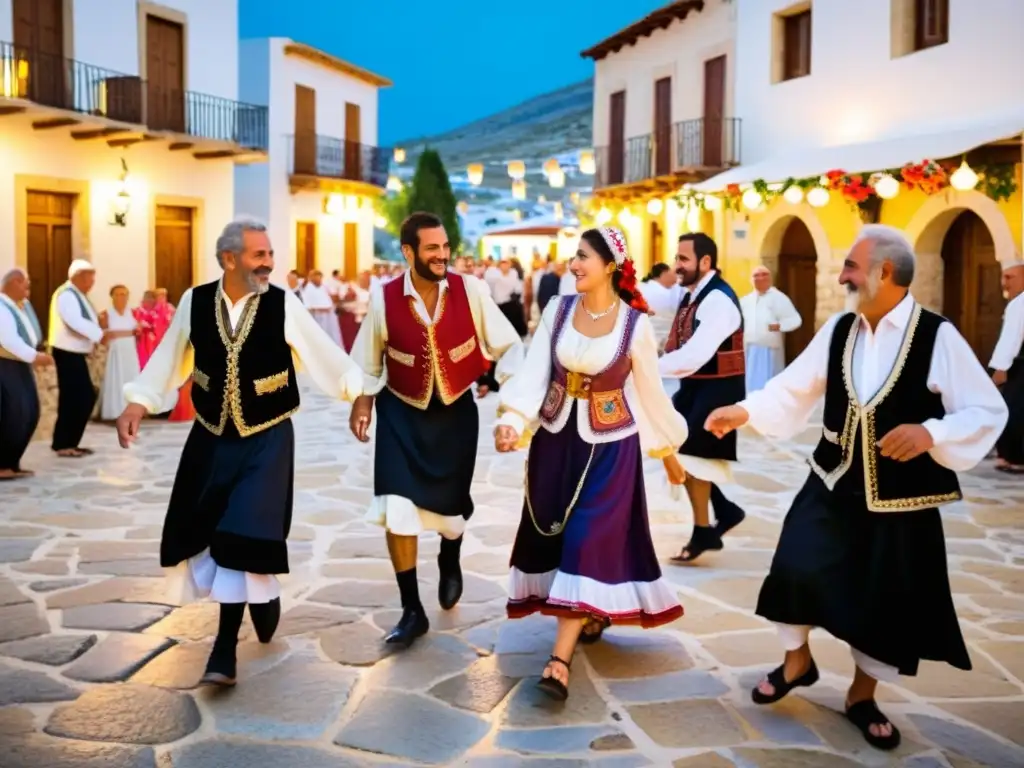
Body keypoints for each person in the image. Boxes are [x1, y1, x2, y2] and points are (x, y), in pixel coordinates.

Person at [704, 225, 1007, 752]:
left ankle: (862, 697)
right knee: (794, 567)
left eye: (849, 266)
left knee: (883, 602)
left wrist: (931, 431)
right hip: (830, 480)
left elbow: (987, 410)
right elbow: (796, 384)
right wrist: (745, 410)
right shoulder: (841, 328)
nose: (841, 275)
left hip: (898, 499)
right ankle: (797, 662)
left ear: (883, 273)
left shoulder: (938, 337)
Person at [115, 217, 363, 687]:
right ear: (229, 259)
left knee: (242, 533)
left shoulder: (283, 306)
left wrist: (359, 394)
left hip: (267, 438)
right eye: (258, 255)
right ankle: (263, 598)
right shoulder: (195, 301)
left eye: (270, 253)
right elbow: (168, 359)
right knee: (211, 530)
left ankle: (224, 647)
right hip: (211, 435)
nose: (268, 262)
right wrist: (138, 401)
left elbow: (324, 354)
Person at [494, 227, 688, 701]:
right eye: (573, 257)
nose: (574, 265)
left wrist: (668, 450)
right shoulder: (558, 311)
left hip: (611, 447)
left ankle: (559, 659)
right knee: (557, 532)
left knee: (585, 537)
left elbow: (651, 395)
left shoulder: (634, 325)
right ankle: (590, 610)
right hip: (556, 440)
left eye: (582, 257)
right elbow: (536, 369)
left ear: (609, 265)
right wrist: (513, 419)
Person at [348, 211, 523, 649]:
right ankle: (411, 609)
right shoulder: (384, 297)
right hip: (401, 414)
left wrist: (504, 392)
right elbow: (368, 358)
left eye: (445, 247)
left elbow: (509, 344)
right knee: (396, 507)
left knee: (450, 515)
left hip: (455, 413)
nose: (443, 255)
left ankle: (450, 555)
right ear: (408, 252)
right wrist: (363, 399)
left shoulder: (472, 290)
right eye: (432, 248)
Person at [658, 233, 747, 562]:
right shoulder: (692, 293)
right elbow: (653, 299)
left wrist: (643, 368)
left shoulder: (718, 301)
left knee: (692, 457)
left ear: (705, 262)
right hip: (698, 387)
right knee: (672, 445)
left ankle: (704, 530)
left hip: (719, 390)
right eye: (677, 258)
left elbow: (694, 355)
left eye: (683, 259)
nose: (676, 265)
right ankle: (723, 511)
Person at [48, 259, 105, 457]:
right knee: (77, 397)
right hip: (67, 352)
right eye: (90, 277)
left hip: (76, 353)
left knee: (81, 397)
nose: (93, 281)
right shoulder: (67, 295)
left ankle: (69, 442)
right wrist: (100, 335)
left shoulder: (78, 295)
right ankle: (64, 443)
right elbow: (74, 321)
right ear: (79, 276)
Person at [0, 268, 53, 480]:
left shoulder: (16, 306)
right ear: (14, 282)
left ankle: (12, 462)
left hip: (20, 364)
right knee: (15, 413)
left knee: (29, 411)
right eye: (26, 284)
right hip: (6, 364)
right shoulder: (2, 306)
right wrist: (34, 356)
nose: (28, 289)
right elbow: (8, 340)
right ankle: (3, 464)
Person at [740, 266, 802, 392]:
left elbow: (795, 320)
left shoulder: (779, 298)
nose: (760, 278)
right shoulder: (746, 301)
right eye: (756, 275)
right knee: (748, 386)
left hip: (769, 350)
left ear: (770, 278)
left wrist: (779, 326)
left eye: (764, 274)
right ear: (751, 280)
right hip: (748, 350)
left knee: (768, 387)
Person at [990, 258, 1024, 473]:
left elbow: (1011, 338)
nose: (1004, 282)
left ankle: (1013, 456)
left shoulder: (1019, 304)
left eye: (1010, 277)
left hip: (1019, 367)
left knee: (1013, 409)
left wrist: (1000, 368)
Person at [99, 285, 141, 421]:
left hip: (130, 351)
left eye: (123, 294)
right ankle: (115, 410)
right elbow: (105, 335)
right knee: (116, 379)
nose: (121, 298)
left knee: (131, 379)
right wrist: (128, 332)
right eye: (117, 294)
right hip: (115, 352)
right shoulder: (106, 314)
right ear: (112, 297)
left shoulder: (132, 313)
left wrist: (134, 331)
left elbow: (138, 331)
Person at [303, 270, 344, 347]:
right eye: (318, 277)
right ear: (312, 278)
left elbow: (330, 299)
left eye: (320, 278)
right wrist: (322, 309)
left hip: (328, 318)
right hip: (317, 319)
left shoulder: (323, 287)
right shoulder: (308, 289)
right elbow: (307, 306)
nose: (320, 280)